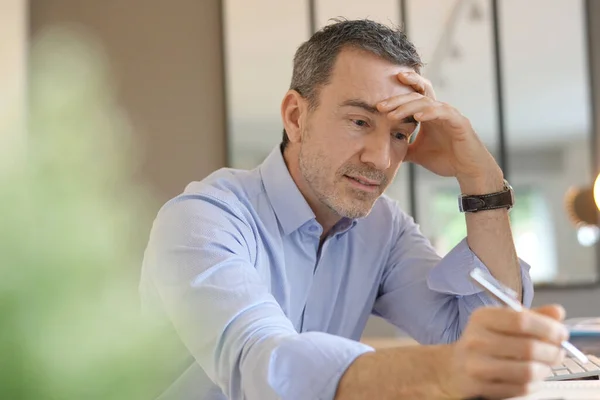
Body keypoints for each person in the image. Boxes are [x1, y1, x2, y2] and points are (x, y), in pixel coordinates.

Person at [140, 19, 568, 400]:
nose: (381, 160)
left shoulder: (384, 230)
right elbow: (262, 366)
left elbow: (472, 333)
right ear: (295, 116)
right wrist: (441, 370)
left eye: (400, 134)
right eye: (360, 122)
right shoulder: (203, 219)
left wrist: (481, 179)